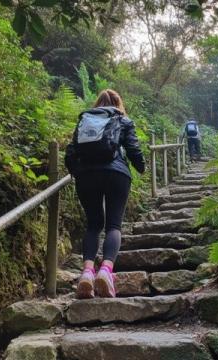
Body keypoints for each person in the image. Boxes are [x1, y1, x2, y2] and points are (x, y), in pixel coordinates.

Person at [64, 89, 145, 299]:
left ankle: (87, 273)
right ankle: (106, 271)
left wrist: (77, 172)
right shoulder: (122, 119)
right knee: (113, 225)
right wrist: (141, 166)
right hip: (117, 173)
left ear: (97, 103)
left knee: (93, 224)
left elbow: (71, 150)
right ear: (118, 103)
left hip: (86, 175)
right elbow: (134, 149)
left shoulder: (85, 120)